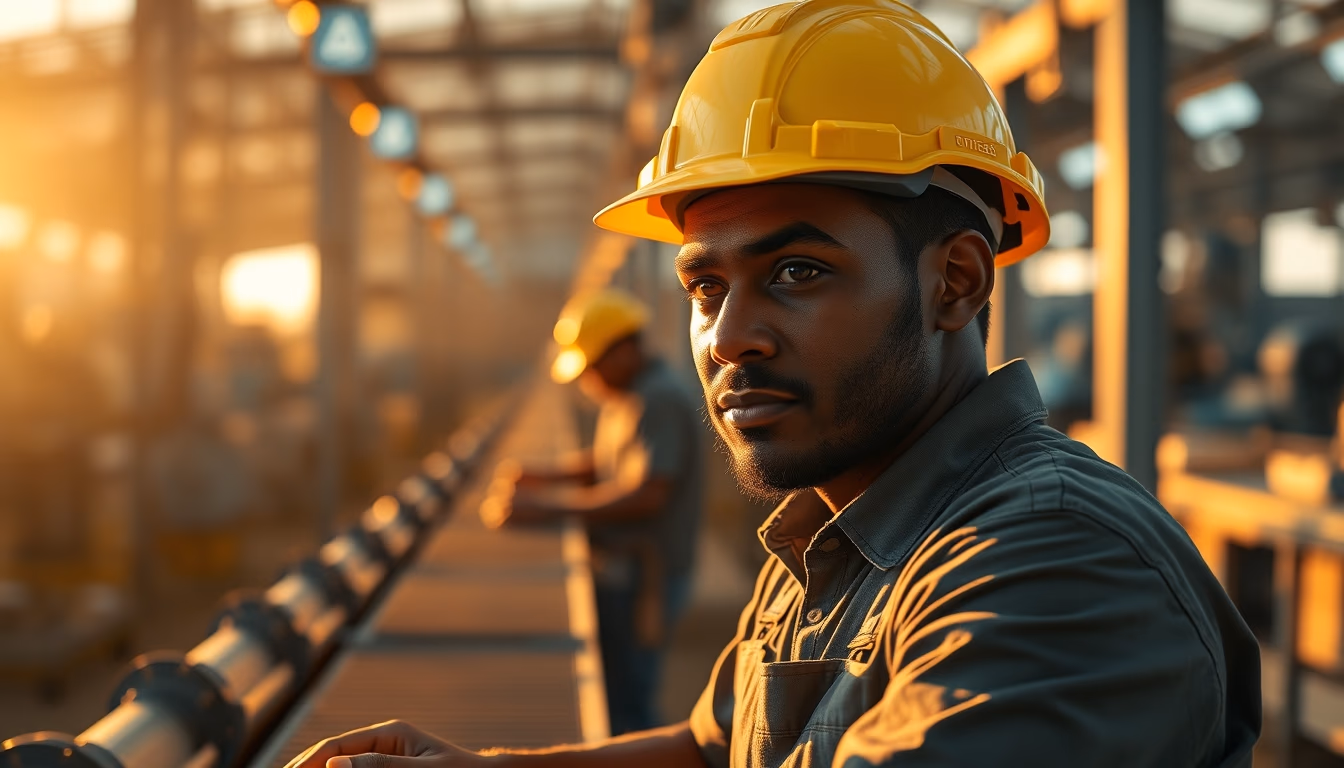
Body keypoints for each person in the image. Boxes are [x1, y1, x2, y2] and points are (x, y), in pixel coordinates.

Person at [284, 0, 1261, 765]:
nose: (729, 338)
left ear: (955, 283)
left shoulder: (1052, 567)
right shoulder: (837, 531)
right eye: (705, 286)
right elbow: (716, 747)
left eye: (797, 272)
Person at [482, 287, 704, 736]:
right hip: (626, 568)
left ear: (623, 350)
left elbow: (647, 494)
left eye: (593, 367)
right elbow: (607, 462)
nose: (589, 379)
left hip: (646, 575)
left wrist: (546, 508)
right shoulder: (629, 393)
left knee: (627, 700)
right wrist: (540, 476)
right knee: (616, 687)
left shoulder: (657, 398)